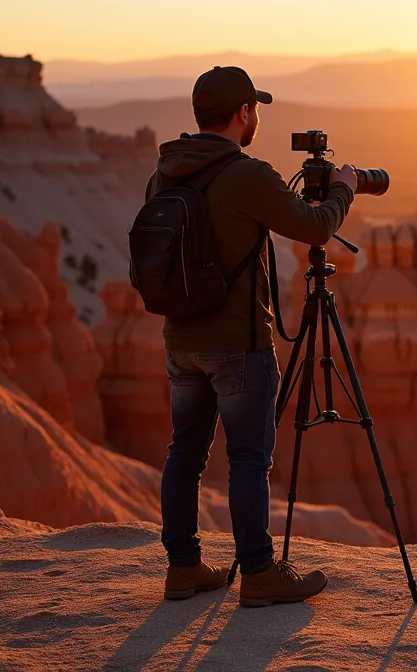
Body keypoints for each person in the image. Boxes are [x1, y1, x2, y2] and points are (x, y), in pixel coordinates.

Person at [144, 66, 356, 608]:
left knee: (184, 451)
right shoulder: (246, 173)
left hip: (179, 340)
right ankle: (260, 574)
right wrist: (343, 191)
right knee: (247, 458)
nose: (256, 116)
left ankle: (183, 567)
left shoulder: (164, 173)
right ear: (243, 114)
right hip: (238, 343)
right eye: (254, 109)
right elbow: (314, 227)